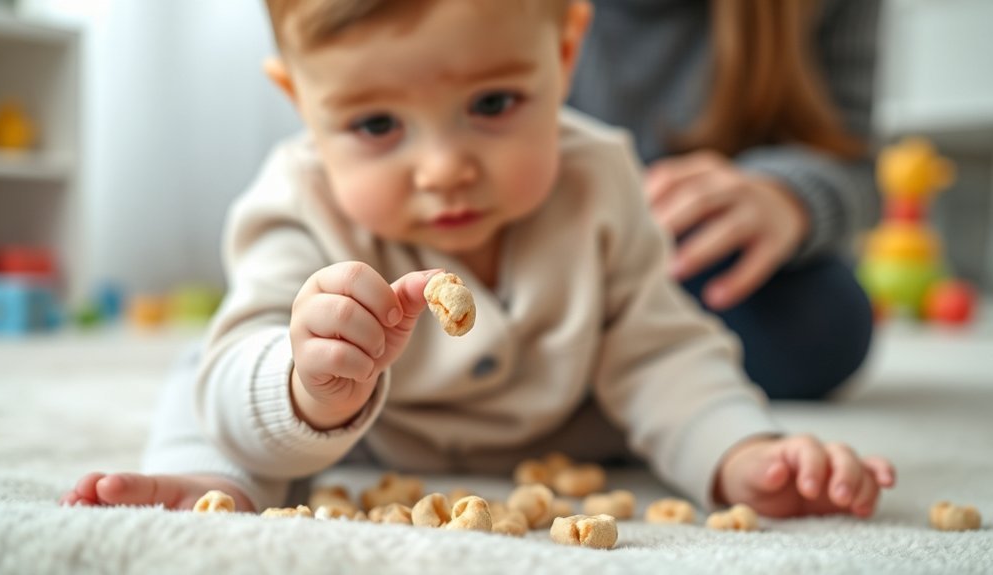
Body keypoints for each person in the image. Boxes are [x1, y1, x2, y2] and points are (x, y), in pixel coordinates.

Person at [61, 0, 894, 517]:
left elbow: (664, 354)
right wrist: (307, 383)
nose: (443, 168)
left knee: (698, 370)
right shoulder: (297, 199)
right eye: (376, 125)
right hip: (364, 435)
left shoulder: (602, 178)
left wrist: (741, 452)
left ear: (564, 55)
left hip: (565, 423)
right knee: (214, 370)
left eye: (493, 105)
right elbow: (253, 364)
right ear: (301, 105)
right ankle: (207, 481)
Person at [568, 0, 882, 400]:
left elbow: (852, 157)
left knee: (822, 320)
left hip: (700, 252)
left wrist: (786, 194)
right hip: (533, 235)